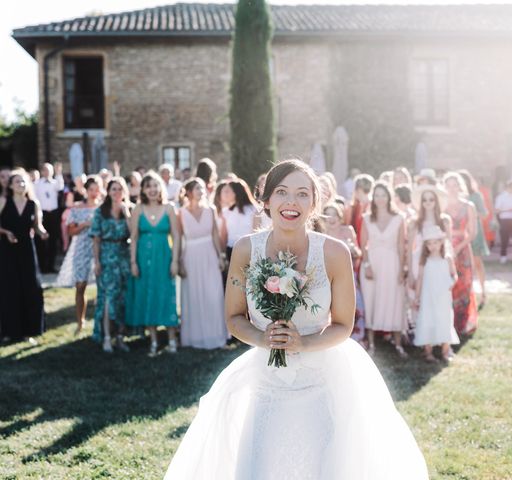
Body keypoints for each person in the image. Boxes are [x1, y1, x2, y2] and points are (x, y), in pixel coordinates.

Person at [164, 158, 428, 480]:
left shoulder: (334, 253)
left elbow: (343, 325)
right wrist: (263, 338)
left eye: (303, 194)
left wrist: (304, 342)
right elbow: (234, 318)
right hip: (267, 382)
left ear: (315, 203)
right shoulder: (246, 250)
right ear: (266, 200)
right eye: (282, 192)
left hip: (320, 381)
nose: (291, 202)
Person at [127, 171, 180, 355]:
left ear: (161, 187)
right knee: (147, 295)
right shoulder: (138, 209)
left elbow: (176, 236)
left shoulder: (169, 208)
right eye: (148, 186)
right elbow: (133, 238)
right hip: (143, 259)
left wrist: (175, 260)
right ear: (143, 189)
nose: (152, 189)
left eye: (155, 185)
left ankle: (172, 339)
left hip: (164, 258)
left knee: (166, 294)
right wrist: (133, 262)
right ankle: (154, 341)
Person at [178, 178, 228, 349]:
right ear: (189, 192)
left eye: (202, 188)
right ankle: (195, 338)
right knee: (193, 295)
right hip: (190, 256)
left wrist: (220, 255)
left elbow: (215, 234)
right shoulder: (181, 213)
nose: (201, 191)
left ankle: (216, 336)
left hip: (209, 253)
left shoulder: (211, 210)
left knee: (213, 295)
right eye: (197, 188)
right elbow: (179, 238)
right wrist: (179, 261)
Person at [359, 182, 408, 357]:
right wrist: (366, 265)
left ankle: (398, 344)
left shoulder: (399, 218)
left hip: (392, 263)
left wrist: (403, 269)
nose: (380, 198)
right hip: (372, 265)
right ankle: (371, 344)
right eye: (377, 195)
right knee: (371, 300)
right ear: (373, 197)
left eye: (383, 195)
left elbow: (402, 246)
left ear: (389, 197)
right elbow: (363, 245)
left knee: (394, 299)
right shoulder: (366, 218)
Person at [0, 170, 47, 342]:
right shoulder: (4, 201)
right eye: (17, 182)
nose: (20, 184)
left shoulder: (33, 203)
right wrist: (5, 232)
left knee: (30, 288)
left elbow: (37, 226)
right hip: (8, 249)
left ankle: (29, 331)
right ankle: (9, 332)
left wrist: (42, 233)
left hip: (27, 249)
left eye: (23, 181)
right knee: (10, 289)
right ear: (10, 185)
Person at [90, 177, 131, 352]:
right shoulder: (100, 212)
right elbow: (96, 239)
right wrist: (97, 261)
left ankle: (120, 336)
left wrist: (127, 213)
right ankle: (107, 336)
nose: (117, 192)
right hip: (107, 256)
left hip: (124, 255)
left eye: (120, 189)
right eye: (113, 189)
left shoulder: (129, 210)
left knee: (123, 298)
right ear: (108, 192)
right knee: (108, 298)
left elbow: (134, 233)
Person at [56, 176, 101, 334]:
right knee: (80, 286)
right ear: (86, 191)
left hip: (100, 249)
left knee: (102, 286)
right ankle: (80, 321)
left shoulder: (103, 208)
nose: (94, 193)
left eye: (97, 189)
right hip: (81, 248)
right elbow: (70, 231)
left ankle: (101, 321)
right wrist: (84, 225)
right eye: (91, 190)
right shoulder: (76, 209)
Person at [413, 225, 459, 363]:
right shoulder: (424, 261)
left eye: (435, 242)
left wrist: (452, 283)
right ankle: (428, 352)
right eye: (429, 243)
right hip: (428, 295)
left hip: (443, 295)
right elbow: (420, 279)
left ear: (441, 242)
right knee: (428, 318)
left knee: (444, 318)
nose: (432, 246)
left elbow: (454, 275)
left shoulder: (447, 258)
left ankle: (445, 350)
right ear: (426, 245)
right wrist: (417, 296)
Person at [322, 202, 365, 343]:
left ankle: (356, 336)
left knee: (353, 306)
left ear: (340, 217)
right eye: (328, 214)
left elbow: (358, 254)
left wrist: (353, 250)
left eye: (334, 214)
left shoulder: (348, 231)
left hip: (349, 274)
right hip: (328, 277)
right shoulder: (321, 234)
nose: (331, 218)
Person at [444, 172, 479, 336]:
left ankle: (461, 324)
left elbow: (472, 233)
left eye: (454, 185)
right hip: (444, 247)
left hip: (463, 248)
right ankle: (447, 324)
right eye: (448, 185)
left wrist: (459, 248)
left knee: (464, 284)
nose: (452, 189)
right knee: (447, 285)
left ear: (460, 186)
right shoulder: (442, 205)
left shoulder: (468, 206)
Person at [459, 170, 490, 308]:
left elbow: (484, 213)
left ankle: (483, 291)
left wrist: (470, 214)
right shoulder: (456, 196)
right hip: (460, 231)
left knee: (477, 262)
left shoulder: (475, 196)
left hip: (474, 231)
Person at [34, 162, 64, 273]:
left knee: (53, 240)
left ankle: (51, 265)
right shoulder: (37, 184)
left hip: (54, 214)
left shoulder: (55, 183)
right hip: (42, 214)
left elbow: (60, 186)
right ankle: (42, 266)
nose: (47, 172)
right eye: (45, 170)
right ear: (42, 171)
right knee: (41, 241)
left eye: (49, 170)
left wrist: (58, 173)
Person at [494, 180, 512, 263]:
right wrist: (508, 209)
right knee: (504, 239)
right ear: (507, 188)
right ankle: (503, 256)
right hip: (505, 220)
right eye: (511, 188)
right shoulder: (501, 197)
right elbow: (497, 210)